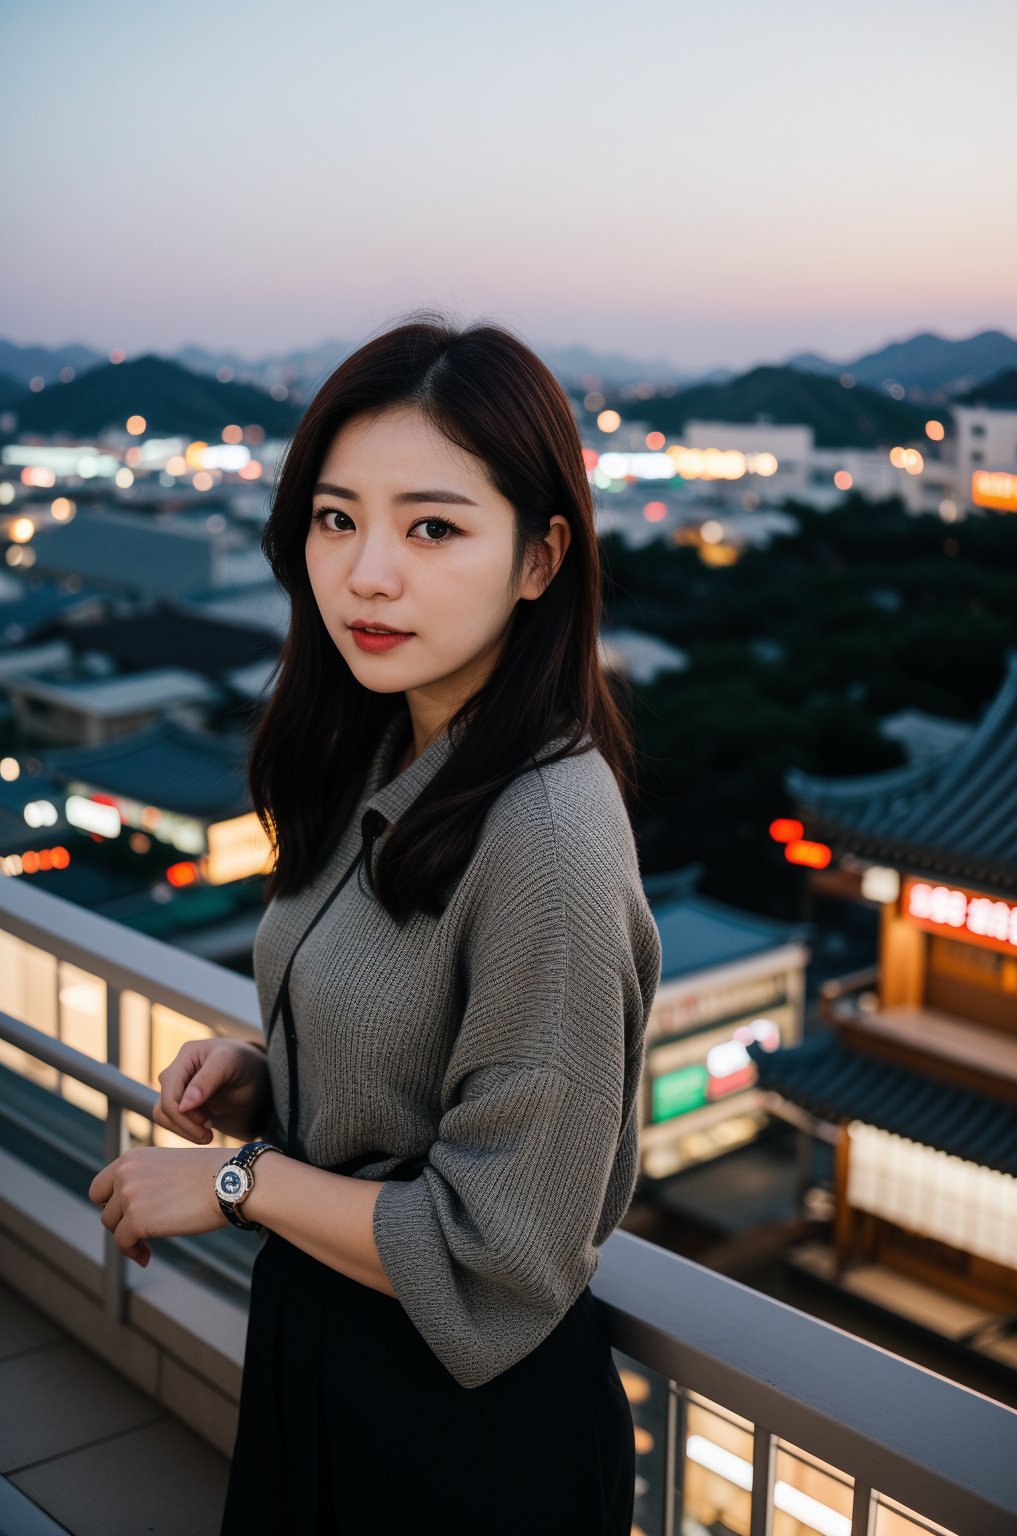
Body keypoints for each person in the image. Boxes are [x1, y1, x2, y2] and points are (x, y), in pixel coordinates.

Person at [88, 310, 663, 1534]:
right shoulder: (381, 750)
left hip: (470, 1430)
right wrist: (273, 1077)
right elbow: (415, 1070)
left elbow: (498, 1242)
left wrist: (238, 1180)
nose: (366, 573)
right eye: (336, 518)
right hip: (327, 1357)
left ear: (541, 557)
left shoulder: (549, 833)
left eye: (433, 527)